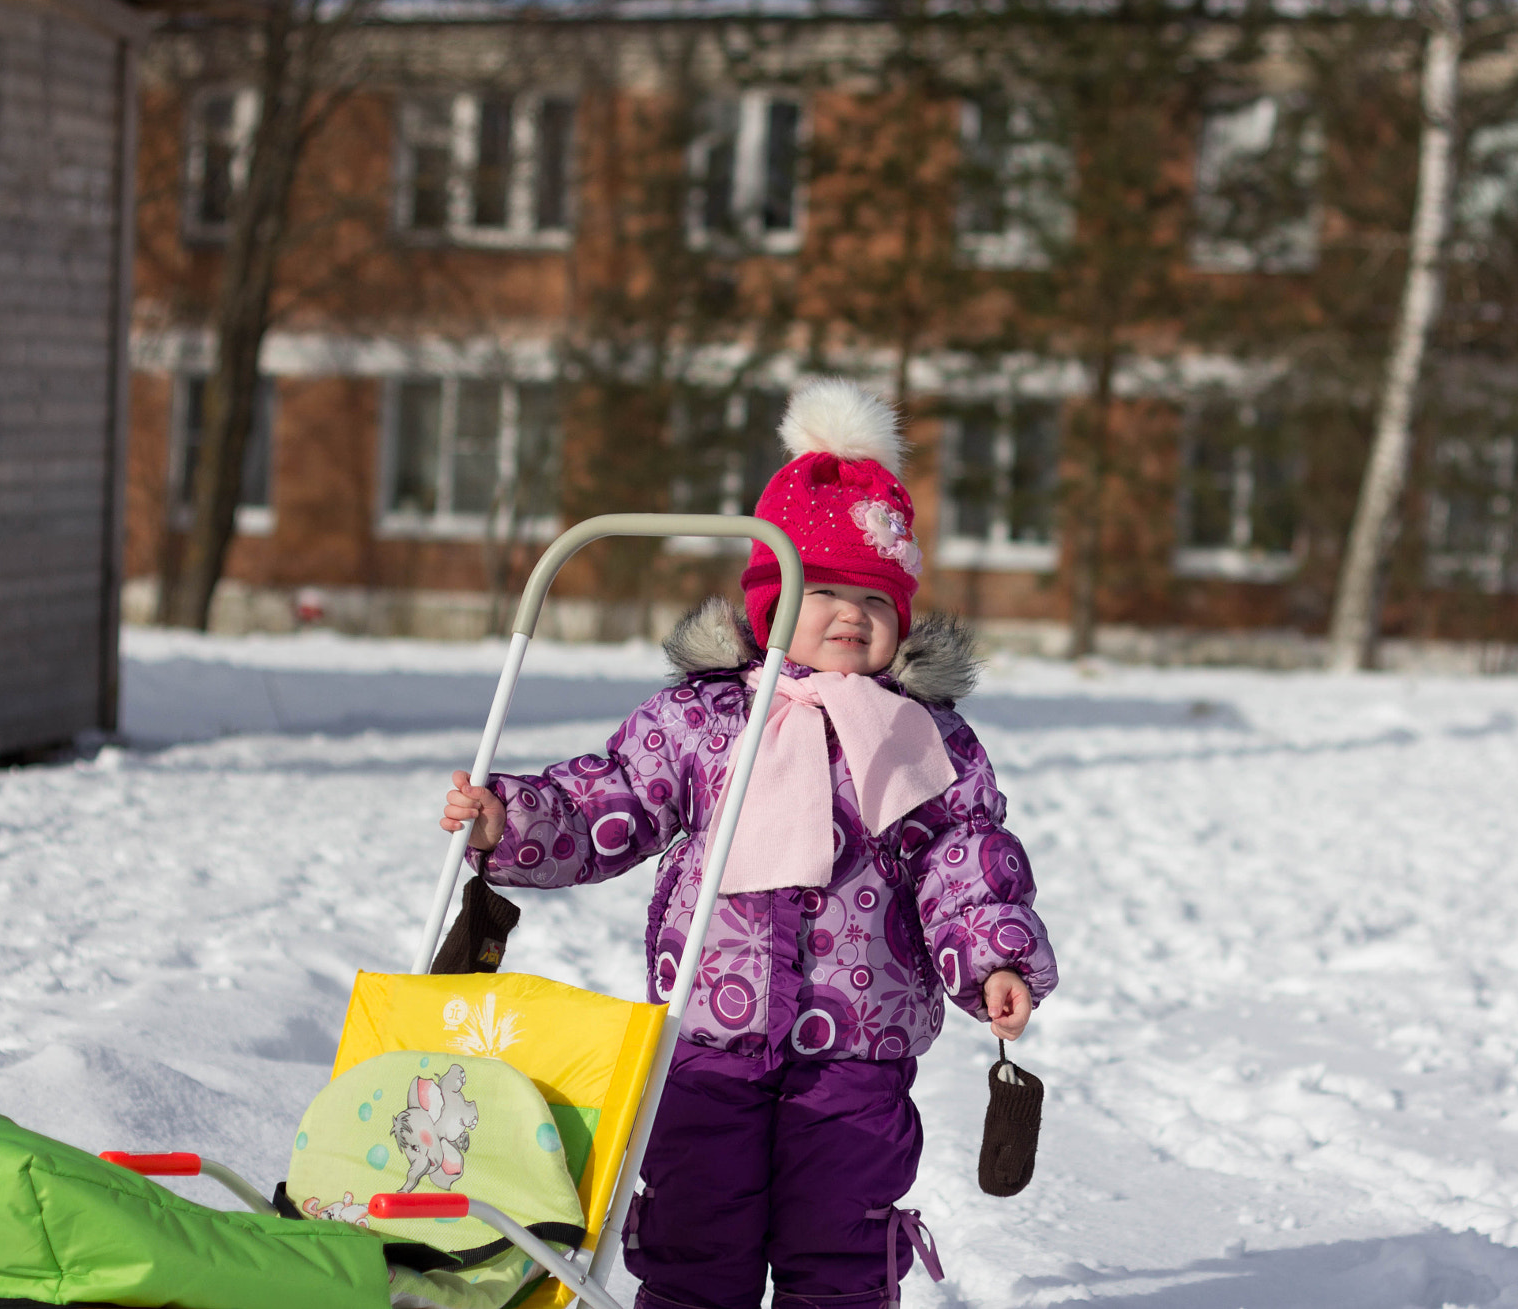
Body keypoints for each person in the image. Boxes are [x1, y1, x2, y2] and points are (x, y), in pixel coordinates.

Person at [440, 378, 1059, 1309]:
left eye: (875, 599)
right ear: (771, 603)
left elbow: (963, 858)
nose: (852, 615)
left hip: (859, 1044)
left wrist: (993, 956)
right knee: (695, 1233)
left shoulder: (920, 737)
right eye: (826, 592)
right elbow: (615, 797)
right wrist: (512, 820)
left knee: (842, 1241)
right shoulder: (704, 718)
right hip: (707, 1038)